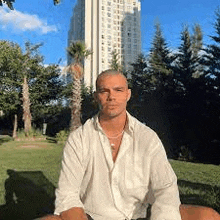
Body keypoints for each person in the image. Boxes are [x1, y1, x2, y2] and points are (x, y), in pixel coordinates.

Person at [43, 69, 181, 220]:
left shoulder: (147, 137)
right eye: (104, 91)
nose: (111, 97)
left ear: (128, 94)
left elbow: (165, 188)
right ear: (96, 97)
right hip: (92, 217)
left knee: (207, 216)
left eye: (118, 90)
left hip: (138, 216)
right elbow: (68, 194)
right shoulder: (79, 139)